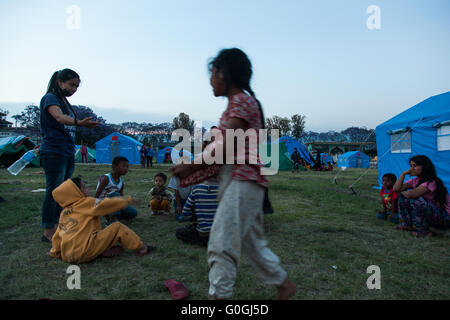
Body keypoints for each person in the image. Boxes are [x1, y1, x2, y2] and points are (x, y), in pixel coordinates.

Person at [170, 48, 295, 300]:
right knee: (251, 243)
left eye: (213, 72)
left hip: (242, 180)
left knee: (220, 244)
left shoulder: (241, 102)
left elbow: (226, 147)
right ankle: (283, 284)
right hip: (242, 180)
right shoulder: (239, 104)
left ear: (224, 73)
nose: (210, 79)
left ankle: (219, 297)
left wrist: (192, 165)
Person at [39, 69, 99, 243]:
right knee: (54, 191)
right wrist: (79, 123)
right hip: (54, 151)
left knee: (63, 192)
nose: (74, 89)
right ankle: (48, 231)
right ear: (60, 82)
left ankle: (59, 226)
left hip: (66, 151)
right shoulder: (50, 98)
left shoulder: (64, 102)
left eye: (77, 87)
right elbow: (58, 117)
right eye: (71, 84)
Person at [48, 177, 154, 263]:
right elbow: (107, 204)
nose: (88, 189)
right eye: (84, 187)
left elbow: (58, 234)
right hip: (85, 251)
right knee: (117, 227)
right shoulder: (86, 202)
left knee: (97, 234)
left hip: (67, 255)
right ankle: (141, 247)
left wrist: (55, 252)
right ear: (75, 193)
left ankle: (101, 249)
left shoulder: (64, 213)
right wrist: (127, 200)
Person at [393, 155, 450, 237]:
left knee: (416, 199)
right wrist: (403, 174)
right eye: (411, 166)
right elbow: (395, 188)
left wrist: (401, 191)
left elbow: (411, 194)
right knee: (403, 197)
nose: (411, 169)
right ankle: (406, 225)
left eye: (415, 166)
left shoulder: (431, 182)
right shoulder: (415, 180)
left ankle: (423, 230)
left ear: (424, 167)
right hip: (432, 215)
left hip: (444, 218)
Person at [175, 178, 219, 246]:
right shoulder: (225, 189)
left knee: (179, 231)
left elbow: (185, 212)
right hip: (220, 233)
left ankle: (202, 241)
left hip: (202, 232)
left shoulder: (196, 189)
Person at [95, 156, 138, 225]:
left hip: (114, 205)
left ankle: (114, 216)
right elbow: (96, 195)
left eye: (127, 166)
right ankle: (112, 219)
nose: (126, 169)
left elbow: (121, 199)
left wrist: (129, 201)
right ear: (114, 167)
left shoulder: (121, 183)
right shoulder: (106, 178)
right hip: (102, 204)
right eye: (123, 166)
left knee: (133, 212)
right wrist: (94, 209)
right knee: (114, 194)